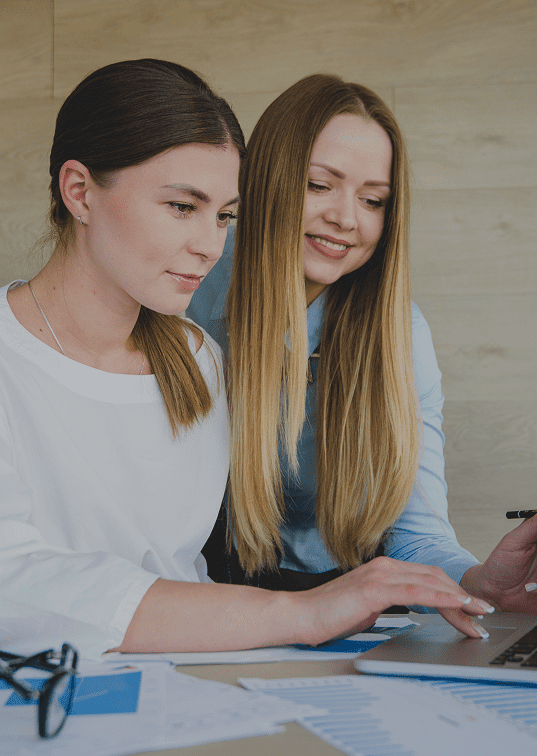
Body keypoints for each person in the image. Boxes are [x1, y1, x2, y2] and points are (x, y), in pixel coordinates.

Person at [1, 59, 509, 662]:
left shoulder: (198, 362)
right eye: (182, 207)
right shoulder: (193, 324)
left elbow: (184, 573)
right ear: (78, 191)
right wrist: (299, 612)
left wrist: (475, 582)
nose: (210, 245)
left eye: (224, 216)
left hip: (198, 668)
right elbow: (18, 583)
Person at [188, 74, 537, 618]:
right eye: (317, 185)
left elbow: (417, 536)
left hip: (356, 604)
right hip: (202, 596)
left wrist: (480, 584)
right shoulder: (188, 283)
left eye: (374, 199)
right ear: (265, 179)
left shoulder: (400, 332)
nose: (347, 219)